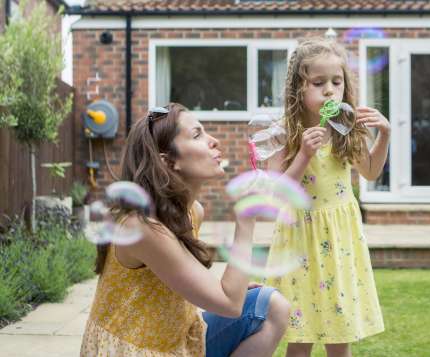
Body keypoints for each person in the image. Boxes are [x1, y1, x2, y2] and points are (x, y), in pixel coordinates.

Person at [80, 103, 289, 356]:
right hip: (136, 351)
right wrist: (246, 219)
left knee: (271, 306)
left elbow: (180, 276)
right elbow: (229, 304)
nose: (213, 141)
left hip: (176, 340)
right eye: (197, 134)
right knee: (244, 304)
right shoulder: (144, 228)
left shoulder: (193, 211)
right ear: (169, 161)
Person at [266, 37, 390, 357]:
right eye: (318, 82)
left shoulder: (344, 128)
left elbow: (371, 171)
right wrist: (304, 154)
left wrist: (385, 134)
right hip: (300, 239)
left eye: (337, 81)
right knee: (301, 333)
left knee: (339, 333)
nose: (330, 90)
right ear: (298, 89)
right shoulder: (283, 133)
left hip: (339, 239)